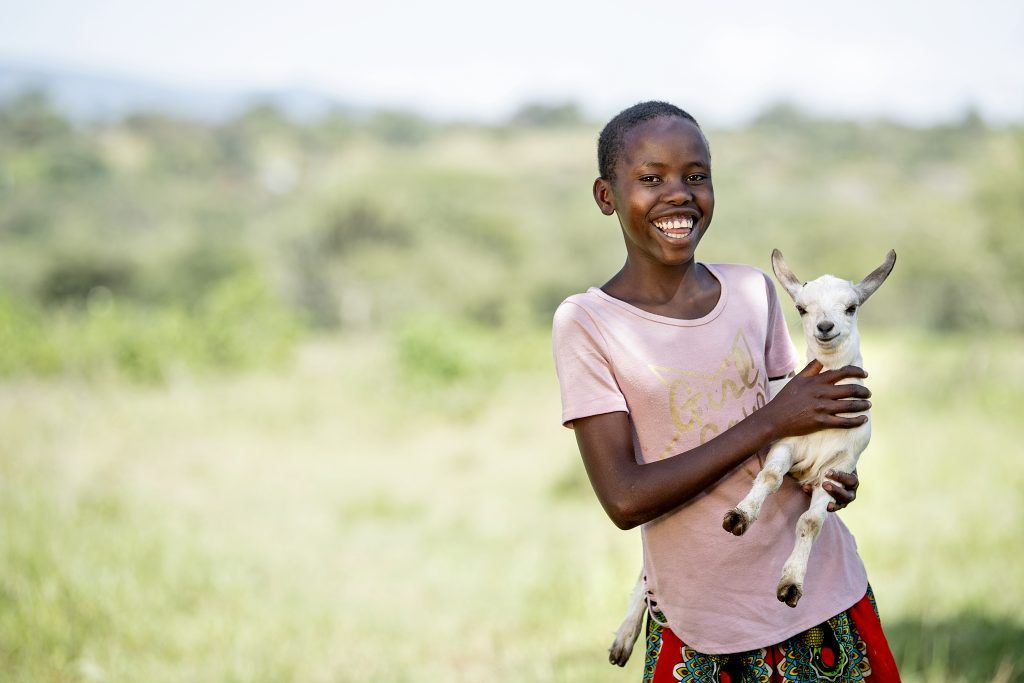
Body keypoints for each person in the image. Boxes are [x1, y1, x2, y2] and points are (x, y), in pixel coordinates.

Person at [551, 101, 900, 682]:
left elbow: (799, 429)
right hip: (701, 619)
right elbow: (624, 499)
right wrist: (771, 423)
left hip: (820, 596)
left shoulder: (752, 291)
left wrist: (835, 473)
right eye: (650, 178)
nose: (678, 194)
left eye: (695, 177)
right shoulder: (588, 323)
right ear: (605, 195)